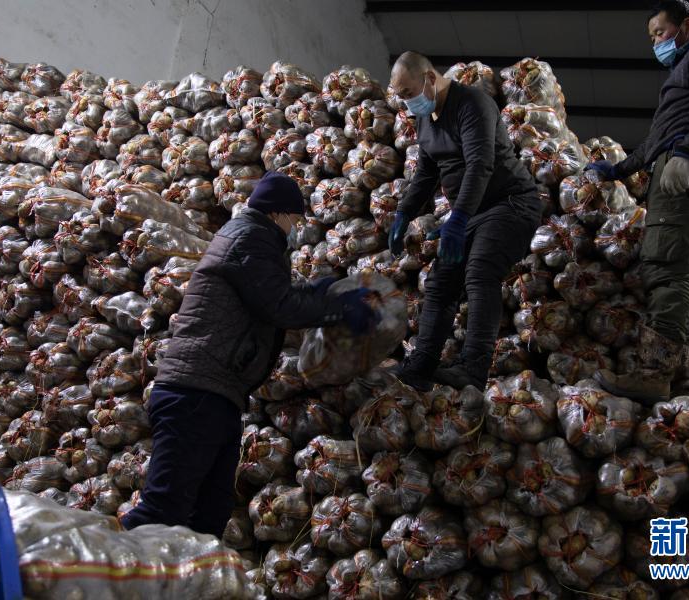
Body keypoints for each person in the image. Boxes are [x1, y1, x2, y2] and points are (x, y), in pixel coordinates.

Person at [120, 172, 377, 536]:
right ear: (277, 213)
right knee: (163, 507)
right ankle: (103, 564)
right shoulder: (250, 239)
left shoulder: (249, 239)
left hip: (215, 394)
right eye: (295, 219)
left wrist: (314, 292)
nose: (295, 228)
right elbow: (278, 305)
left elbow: (267, 292)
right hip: (196, 392)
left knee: (209, 514)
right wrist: (337, 308)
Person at [588, 0, 689, 405]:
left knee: (667, 266)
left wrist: (686, 154)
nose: (656, 42)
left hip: (687, 170)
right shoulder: (681, 75)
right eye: (652, 37)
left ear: (686, 26)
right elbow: (655, 141)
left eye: (660, 32)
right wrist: (617, 170)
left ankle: (653, 374)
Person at [387, 51, 542, 393]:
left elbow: (479, 164)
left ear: (429, 78)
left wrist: (457, 219)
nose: (407, 102)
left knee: (480, 270)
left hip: (510, 203)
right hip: (472, 213)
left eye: (408, 92)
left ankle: (473, 369)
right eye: (400, 96)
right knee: (441, 282)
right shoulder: (426, 118)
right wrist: (403, 213)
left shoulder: (473, 104)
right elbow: (426, 172)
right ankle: (421, 364)